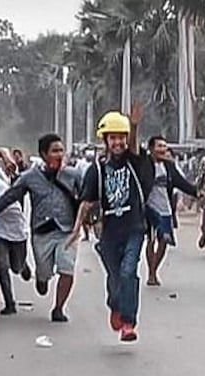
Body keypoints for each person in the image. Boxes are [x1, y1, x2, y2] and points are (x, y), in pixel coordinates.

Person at [69, 106, 153, 343]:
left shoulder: (133, 161)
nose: (118, 142)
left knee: (128, 273)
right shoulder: (97, 169)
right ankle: (115, 305)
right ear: (105, 140)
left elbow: (135, 146)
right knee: (115, 279)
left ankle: (129, 322)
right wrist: (76, 230)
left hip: (134, 229)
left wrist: (134, 126)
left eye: (122, 137)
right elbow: (86, 202)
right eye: (113, 138)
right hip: (108, 234)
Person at [0, 134, 79, 322]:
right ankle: (41, 278)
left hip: (67, 231)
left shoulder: (73, 175)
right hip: (42, 233)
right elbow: (10, 196)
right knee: (44, 271)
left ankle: (58, 308)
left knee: (67, 268)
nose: (59, 154)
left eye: (61, 150)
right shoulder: (30, 177)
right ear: (43, 154)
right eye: (54, 151)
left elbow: (89, 195)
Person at [144, 135, 197, 286]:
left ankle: (154, 269)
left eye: (165, 146)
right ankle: (151, 273)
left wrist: (196, 192)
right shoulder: (144, 164)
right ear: (151, 149)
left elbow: (181, 183)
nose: (163, 149)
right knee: (151, 239)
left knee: (164, 240)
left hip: (165, 208)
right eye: (159, 146)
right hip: (149, 207)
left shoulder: (169, 166)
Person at [0, 159, 31, 316]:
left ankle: (23, 265)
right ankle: (10, 303)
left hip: (15, 229)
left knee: (15, 268)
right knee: (2, 266)